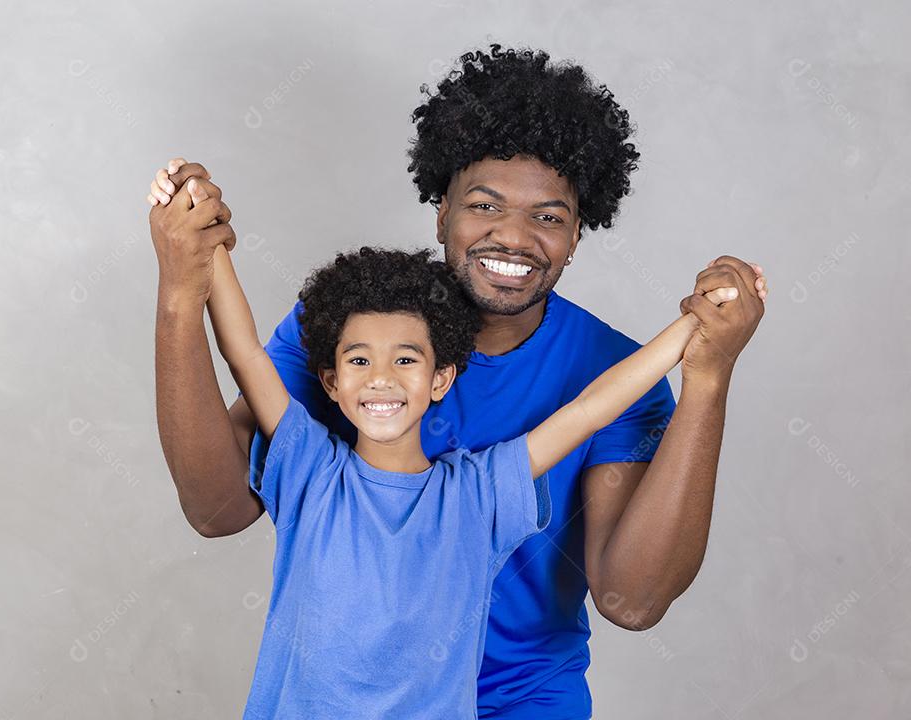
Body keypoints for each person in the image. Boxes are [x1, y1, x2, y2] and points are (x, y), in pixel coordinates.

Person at [147, 44, 767, 719]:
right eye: (484, 205)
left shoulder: (586, 391)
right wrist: (188, 278)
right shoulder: (348, 332)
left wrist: (706, 373)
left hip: (522, 702)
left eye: (548, 216)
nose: (513, 236)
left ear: (578, 233)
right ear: (441, 210)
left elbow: (632, 599)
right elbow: (216, 508)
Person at [196, 230, 737, 717]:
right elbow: (242, 351)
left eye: (405, 360)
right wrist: (206, 234)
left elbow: (590, 409)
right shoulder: (310, 471)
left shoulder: (479, 494)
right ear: (332, 383)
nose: (381, 379)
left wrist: (696, 327)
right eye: (360, 362)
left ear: (441, 378)